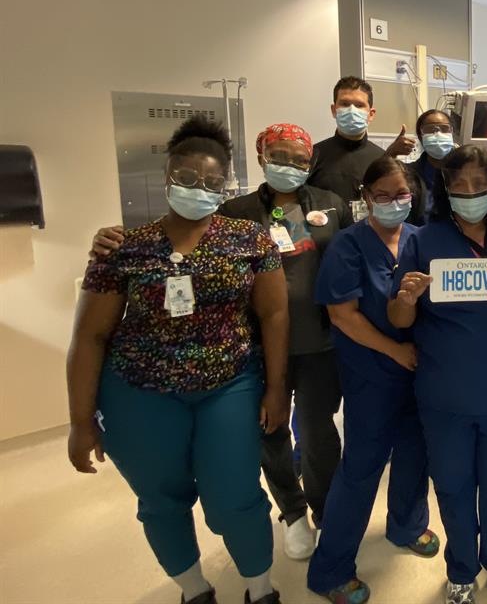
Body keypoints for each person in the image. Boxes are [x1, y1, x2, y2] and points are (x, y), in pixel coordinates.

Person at [90, 123, 350, 561]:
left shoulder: (331, 204)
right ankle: (292, 511)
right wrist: (112, 237)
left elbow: (348, 261)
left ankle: (326, 511)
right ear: (262, 155)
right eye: (280, 156)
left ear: (311, 163)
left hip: (318, 340)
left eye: (300, 159)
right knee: (270, 432)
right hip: (253, 343)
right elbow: (179, 238)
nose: (290, 166)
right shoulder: (234, 209)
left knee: (320, 432)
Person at [67, 118, 289, 604]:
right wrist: (81, 421)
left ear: (226, 183)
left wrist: (276, 389)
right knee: (160, 499)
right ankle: (193, 590)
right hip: (138, 392)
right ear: (167, 176)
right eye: (187, 178)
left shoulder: (250, 239)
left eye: (212, 182)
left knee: (235, 497)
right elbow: (90, 335)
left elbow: (274, 314)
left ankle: (259, 586)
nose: (198, 188)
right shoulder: (124, 246)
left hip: (229, 384)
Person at [388, 145, 487, 604]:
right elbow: (400, 320)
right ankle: (460, 569)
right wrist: (407, 297)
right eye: (459, 186)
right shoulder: (422, 241)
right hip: (445, 394)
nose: (470, 193)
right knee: (454, 485)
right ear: (445, 190)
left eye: (480, 185)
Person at [308, 156, 439, 604]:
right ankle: (331, 570)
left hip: (420, 372)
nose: (392, 203)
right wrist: (394, 351)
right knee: (361, 469)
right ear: (365, 198)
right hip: (373, 373)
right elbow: (341, 315)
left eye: (400, 194)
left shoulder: (424, 240)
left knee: (414, 453)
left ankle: (407, 525)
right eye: (381, 195)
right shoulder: (349, 245)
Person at [307, 76, 417, 216]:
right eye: (345, 104)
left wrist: (391, 156)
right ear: (334, 110)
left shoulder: (381, 158)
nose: (352, 110)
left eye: (359, 105)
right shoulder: (313, 155)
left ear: (371, 114)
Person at [411, 109, 456, 221]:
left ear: (452, 133)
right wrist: (391, 154)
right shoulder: (408, 173)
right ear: (420, 136)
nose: (438, 134)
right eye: (430, 130)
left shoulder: (463, 171)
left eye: (444, 128)